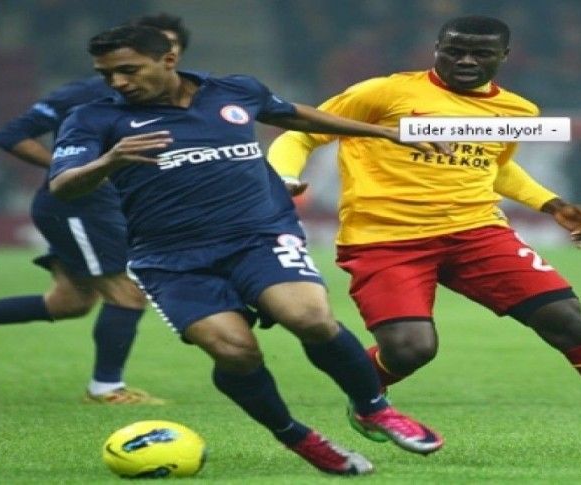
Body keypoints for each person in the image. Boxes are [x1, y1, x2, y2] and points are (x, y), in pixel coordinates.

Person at [267, 15, 581, 464]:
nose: (466, 60)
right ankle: (369, 397)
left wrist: (551, 204)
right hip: (386, 239)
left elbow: (495, 166)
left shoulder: (517, 111)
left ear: (503, 56)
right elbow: (299, 135)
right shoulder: (383, 93)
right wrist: (284, 176)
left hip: (477, 233)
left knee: (568, 320)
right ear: (436, 50)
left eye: (480, 53)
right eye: (454, 51)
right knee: (410, 349)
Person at [47, 25, 445, 476]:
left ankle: (373, 408)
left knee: (310, 318)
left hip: (258, 237)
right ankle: (298, 437)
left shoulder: (234, 91)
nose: (118, 82)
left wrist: (383, 133)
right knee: (235, 352)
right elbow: (62, 186)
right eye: (107, 75)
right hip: (170, 258)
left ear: (168, 59)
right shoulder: (94, 118)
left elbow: (293, 115)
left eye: (128, 70)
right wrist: (108, 161)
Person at [0, 14, 191, 405]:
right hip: (79, 204)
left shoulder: (180, 98)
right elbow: (12, 134)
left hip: (107, 207)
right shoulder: (85, 95)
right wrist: (75, 170)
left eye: (171, 45)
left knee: (69, 303)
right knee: (128, 293)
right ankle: (106, 389)